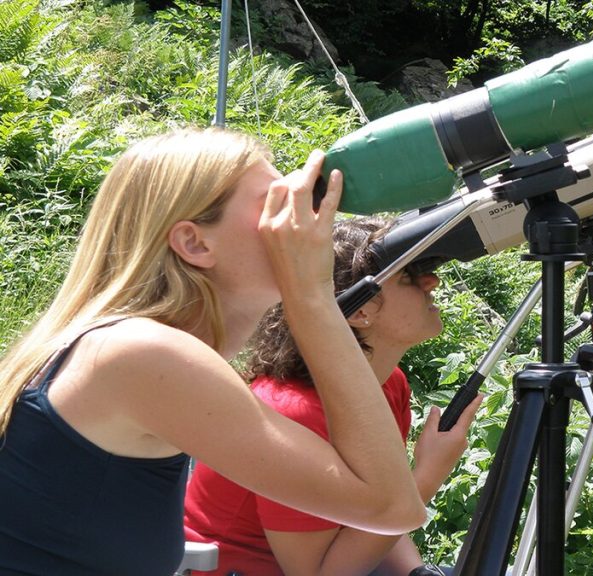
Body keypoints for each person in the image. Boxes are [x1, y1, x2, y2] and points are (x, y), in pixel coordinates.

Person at [0, 128, 425, 576]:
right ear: (194, 244)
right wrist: (312, 293)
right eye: (273, 205)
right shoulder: (143, 354)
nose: (297, 220)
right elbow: (390, 506)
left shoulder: (121, 347)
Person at [184, 216, 483, 576]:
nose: (431, 281)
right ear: (360, 311)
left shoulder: (389, 384)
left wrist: (417, 573)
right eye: (408, 276)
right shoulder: (295, 413)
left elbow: (370, 513)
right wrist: (429, 473)